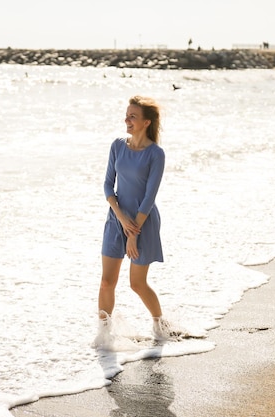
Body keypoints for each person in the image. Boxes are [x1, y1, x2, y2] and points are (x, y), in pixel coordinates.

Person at [94, 96, 175, 348]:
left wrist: (133, 232)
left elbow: (149, 197)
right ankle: (104, 336)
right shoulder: (117, 146)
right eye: (127, 115)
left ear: (145, 122)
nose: (126, 120)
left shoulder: (155, 154)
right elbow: (108, 184)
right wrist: (120, 216)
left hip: (143, 222)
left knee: (137, 284)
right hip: (116, 218)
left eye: (132, 116)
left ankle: (160, 326)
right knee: (107, 281)